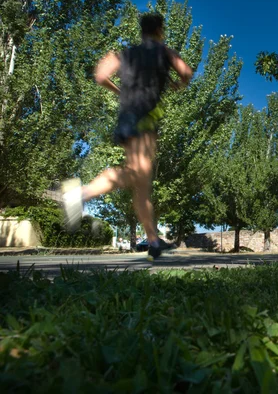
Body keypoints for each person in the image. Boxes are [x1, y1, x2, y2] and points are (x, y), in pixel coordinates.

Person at [61, 13, 193, 261]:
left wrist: (119, 90)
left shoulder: (125, 54)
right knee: (136, 173)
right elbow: (186, 71)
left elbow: (100, 75)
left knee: (142, 187)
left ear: (142, 31)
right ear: (160, 31)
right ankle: (80, 194)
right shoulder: (164, 51)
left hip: (127, 117)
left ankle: (153, 243)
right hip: (145, 119)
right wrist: (176, 84)